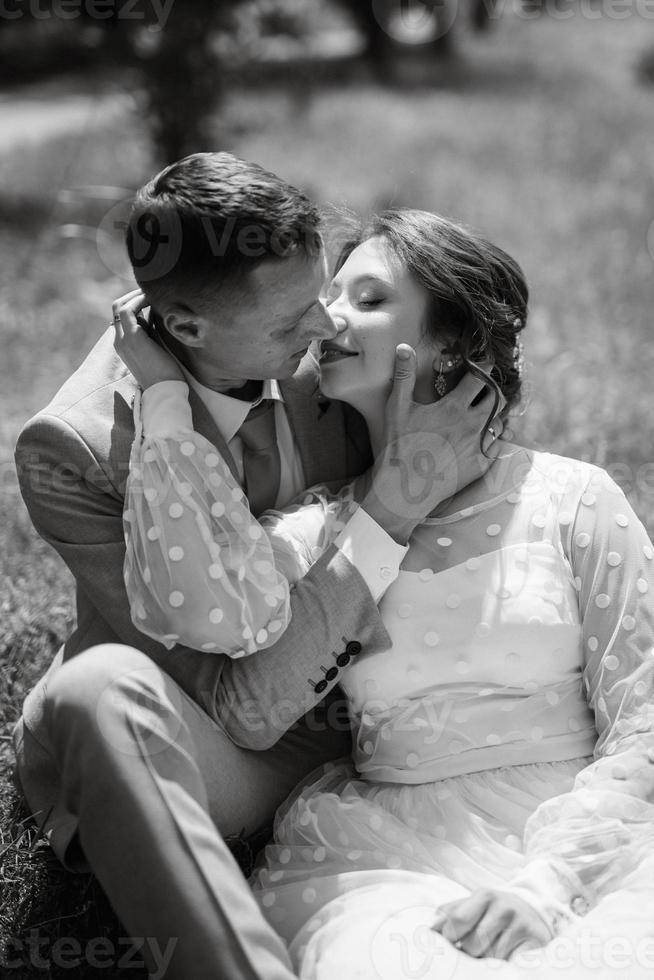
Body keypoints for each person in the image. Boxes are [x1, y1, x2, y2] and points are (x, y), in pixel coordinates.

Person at [119, 209, 654, 979]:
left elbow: (645, 720)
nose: (326, 317)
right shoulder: (316, 532)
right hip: (387, 856)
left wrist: (551, 883)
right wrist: (166, 393)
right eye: (329, 295)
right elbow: (246, 696)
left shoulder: (573, 499)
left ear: (452, 348)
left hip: (584, 836)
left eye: (367, 299)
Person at [13, 155, 496, 979]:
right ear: (190, 328)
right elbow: (242, 704)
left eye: (324, 293)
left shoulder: (328, 339)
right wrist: (388, 512)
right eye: (289, 324)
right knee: (96, 696)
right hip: (227, 728)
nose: (326, 328)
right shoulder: (76, 451)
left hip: (374, 709)